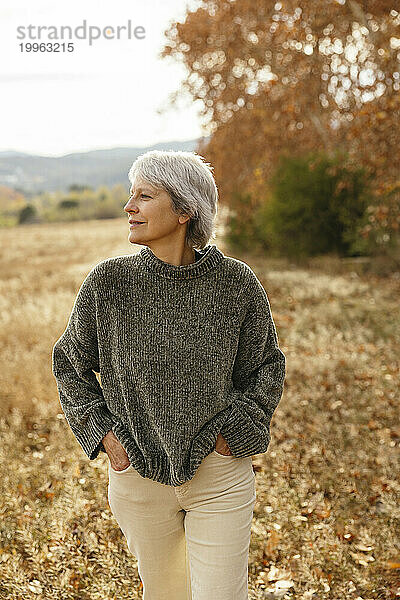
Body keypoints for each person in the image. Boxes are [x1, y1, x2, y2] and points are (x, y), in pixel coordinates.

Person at [51, 149, 286, 600]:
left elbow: (265, 367)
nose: (129, 207)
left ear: (184, 210)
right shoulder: (108, 283)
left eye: (144, 196)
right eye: (130, 195)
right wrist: (105, 436)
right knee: (165, 594)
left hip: (218, 475)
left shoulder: (236, 283)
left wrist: (234, 431)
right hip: (137, 477)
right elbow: (69, 365)